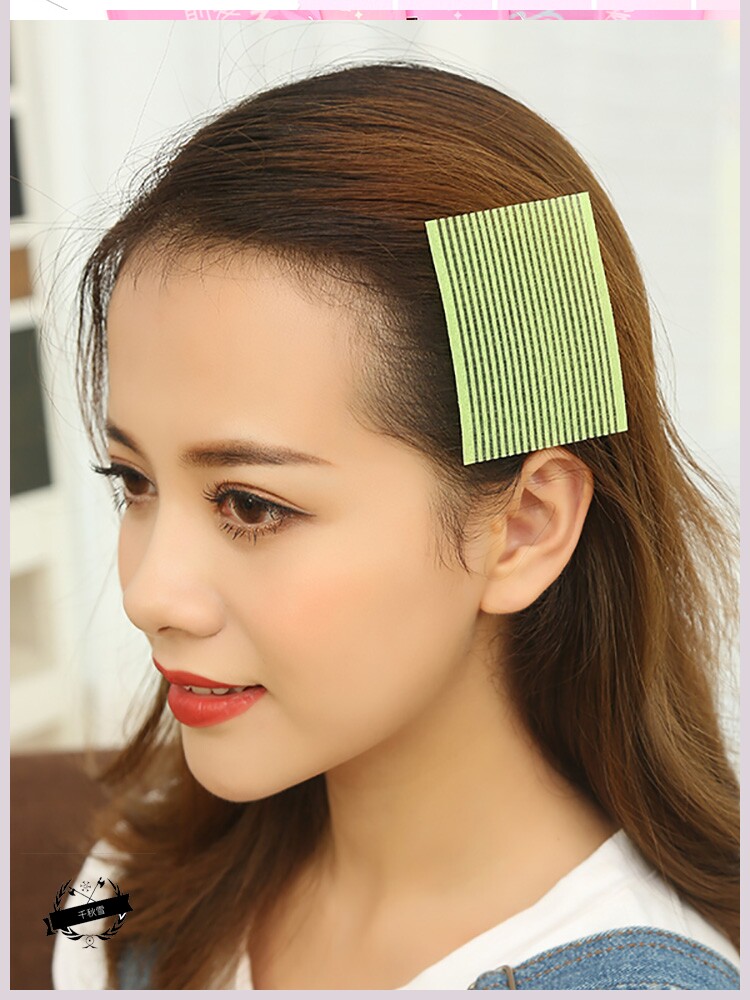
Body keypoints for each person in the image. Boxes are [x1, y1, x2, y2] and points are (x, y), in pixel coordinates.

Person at [51, 61, 739, 990]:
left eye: (250, 505)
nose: (148, 594)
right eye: (133, 480)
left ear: (525, 525)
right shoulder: (123, 890)